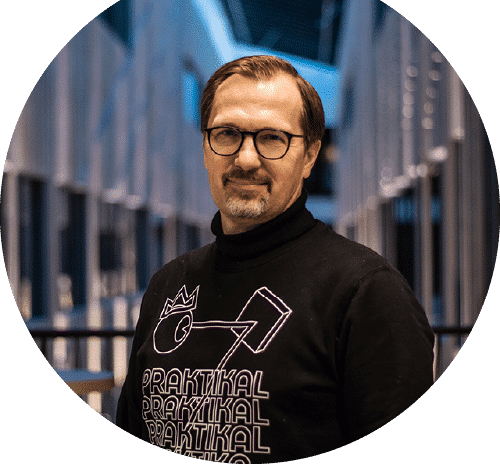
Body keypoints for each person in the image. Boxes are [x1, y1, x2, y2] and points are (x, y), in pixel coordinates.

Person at [116, 55, 434, 462]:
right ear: (205, 146)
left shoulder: (366, 293)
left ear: (309, 156)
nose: (246, 159)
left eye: (271, 138)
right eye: (227, 133)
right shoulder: (168, 286)